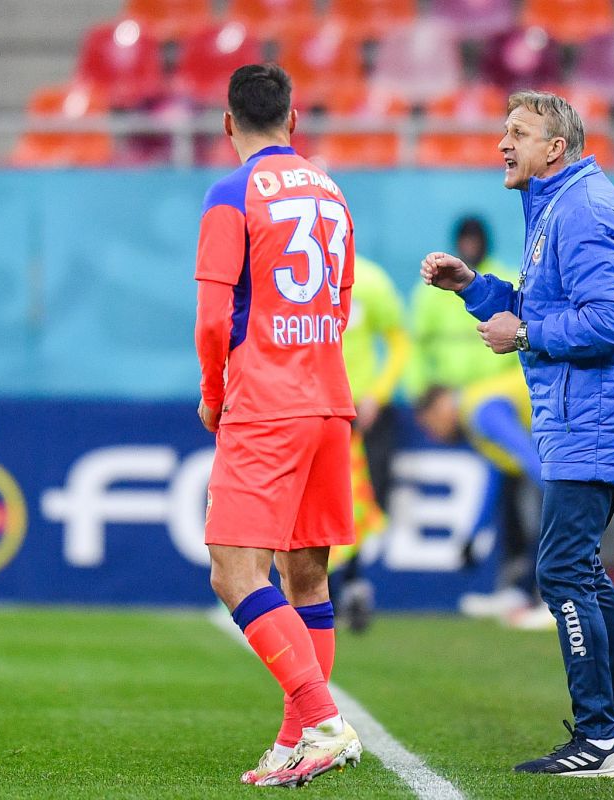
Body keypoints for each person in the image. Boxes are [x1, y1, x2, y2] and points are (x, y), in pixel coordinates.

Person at [420, 90, 614, 778]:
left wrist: (527, 333)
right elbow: (543, 304)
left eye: (518, 133)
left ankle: (598, 738)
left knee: (560, 571)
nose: (503, 144)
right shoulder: (560, 204)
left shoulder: (582, 210)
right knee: (580, 567)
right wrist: (473, 287)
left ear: (555, 148)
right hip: (583, 414)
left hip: (593, 416)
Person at [192, 63, 361, 789]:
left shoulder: (230, 193)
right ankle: (298, 742)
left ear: (228, 124)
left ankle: (322, 721)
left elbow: (212, 318)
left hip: (266, 401)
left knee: (235, 573)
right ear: (294, 121)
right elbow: (341, 302)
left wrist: (214, 393)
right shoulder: (330, 190)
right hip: (328, 400)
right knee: (307, 576)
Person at [416, 371, 554, 630]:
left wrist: (565, 503)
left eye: (429, 424)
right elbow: (496, 477)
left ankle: (557, 601)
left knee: (550, 519)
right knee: (536, 514)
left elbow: (530, 458)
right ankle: (522, 594)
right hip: (569, 433)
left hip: (579, 424)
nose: (433, 434)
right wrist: (473, 535)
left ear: (441, 405)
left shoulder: (481, 411)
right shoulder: (474, 410)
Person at [334, 254, 411, 631]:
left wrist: (377, 395)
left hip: (359, 414)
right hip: (316, 411)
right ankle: (327, 588)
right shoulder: (300, 274)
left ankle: (350, 582)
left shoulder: (369, 281)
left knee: (359, 500)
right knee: (322, 502)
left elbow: (399, 343)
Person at [403, 215, 517, 398]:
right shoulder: (430, 291)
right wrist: (420, 394)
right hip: (447, 396)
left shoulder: (507, 283)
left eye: (475, 241)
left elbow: (524, 342)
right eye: (466, 240)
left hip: (498, 394)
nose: (470, 246)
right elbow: (415, 346)